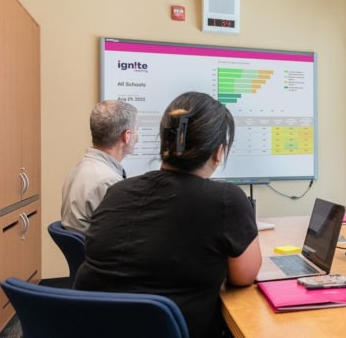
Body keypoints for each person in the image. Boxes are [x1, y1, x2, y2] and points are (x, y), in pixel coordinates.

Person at [74, 91, 262, 337]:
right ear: (219, 151)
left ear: (165, 142)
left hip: (91, 327)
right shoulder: (226, 200)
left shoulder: (118, 191)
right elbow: (243, 277)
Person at [61, 99, 138, 233]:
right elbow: (125, 234)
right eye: (136, 130)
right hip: (100, 251)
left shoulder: (79, 168)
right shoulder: (108, 182)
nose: (137, 138)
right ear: (127, 136)